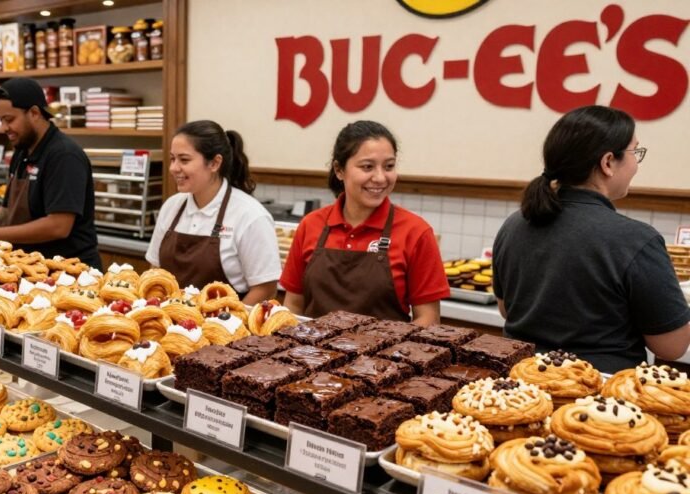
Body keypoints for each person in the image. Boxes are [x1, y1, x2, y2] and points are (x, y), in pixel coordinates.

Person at [493, 105, 690, 373]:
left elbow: (506, 310)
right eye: (635, 152)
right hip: (598, 397)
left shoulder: (514, 224)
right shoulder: (636, 239)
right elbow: (672, 346)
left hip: (519, 384)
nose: (636, 164)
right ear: (608, 162)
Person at [280, 121, 448, 323]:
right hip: (313, 354)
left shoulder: (416, 232)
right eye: (367, 167)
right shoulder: (311, 225)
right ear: (339, 170)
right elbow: (293, 305)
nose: (380, 177)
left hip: (388, 354)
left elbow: (428, 319)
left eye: (389, 166)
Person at [0, 78, 100, 269]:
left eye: (9, 119)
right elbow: (8, 210)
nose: (4, 127)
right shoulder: (22, 151)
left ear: (34, 113)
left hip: (69, 271)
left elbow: (58, 226)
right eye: (1, 120)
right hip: (32, 267)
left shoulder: (64, 155)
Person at [145, 120, 280, 303]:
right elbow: (155, 271)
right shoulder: (171, 207)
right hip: (170, 324)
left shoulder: (250, 216)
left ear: (215, 163)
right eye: (172, 158)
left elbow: (265, 287)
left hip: (227, 327)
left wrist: (229, 324)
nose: (173, 168)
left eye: (184, 160)